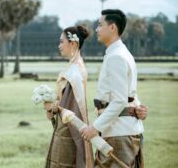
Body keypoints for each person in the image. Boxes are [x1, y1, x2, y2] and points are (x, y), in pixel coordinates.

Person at [81, 9, 148, 168]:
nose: (96, 29)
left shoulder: (116, 56)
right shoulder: (122, 53)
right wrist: (137, 107)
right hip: (123, 130)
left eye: (99, 25)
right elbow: (128, 94)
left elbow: (119, 100)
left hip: (118, 133)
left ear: (112, 28)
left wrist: (95, 127)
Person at [44, 25, 93, 168]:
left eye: (61, 41)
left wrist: (52, 107)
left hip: (69, 131)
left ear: (73, 43)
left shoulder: (75, 71)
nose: (59, 45)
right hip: (68, 127)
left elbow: (69, 105)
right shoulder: (75, 67)